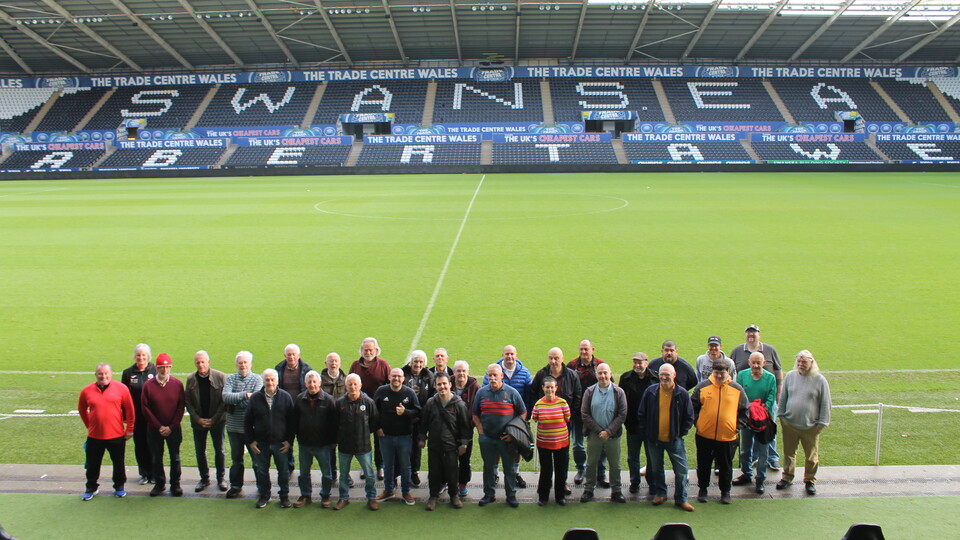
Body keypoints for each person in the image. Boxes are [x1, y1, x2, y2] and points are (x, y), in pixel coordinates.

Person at [638, 363, 696, 512]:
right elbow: (642, 413)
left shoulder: (682, 394)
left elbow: (689, 416)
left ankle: (681, 499)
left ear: (674, 375)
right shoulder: (650, 392)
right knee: (656, 469)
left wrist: (680, 433)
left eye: (667, 375)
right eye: (661, 375)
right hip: (654, 439)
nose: (664, 378)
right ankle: (661, 493)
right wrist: (648, 431)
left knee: (681, 471)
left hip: (674, 440)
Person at [691, 361, 748, 505]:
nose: (719, 376)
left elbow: (745, 410)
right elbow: (692, 407)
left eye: (722, 373)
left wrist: (736, 427)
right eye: (716, 373)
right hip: (704, 435)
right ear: (712, 371)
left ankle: (725, 492)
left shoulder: (737, 389)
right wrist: (698, 423)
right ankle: (703, 489)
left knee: (725, 466)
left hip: (727, 437)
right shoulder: (702, 387)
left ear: (728, 372)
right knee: (703, 464)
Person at [776, 350, 831, 496]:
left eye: (804, 362)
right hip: (790, 424)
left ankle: (810, 480)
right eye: (799, 362)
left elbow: (826, 403)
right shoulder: (790, 376)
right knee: (789, 454)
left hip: (811, 427)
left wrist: (821, 424)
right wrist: (781, 417)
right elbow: (783, 397)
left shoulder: (820, 380)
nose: (801, 364)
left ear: (811, 363)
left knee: (811, 456)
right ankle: (787, 477)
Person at [729, 324, 784, 470]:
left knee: (768, 430)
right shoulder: (737, 351)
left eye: (754, 332)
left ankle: (772, 458)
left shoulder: (770, 350)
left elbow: (778, 370)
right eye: (748, 332)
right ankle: (751, 459)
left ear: (760, 334)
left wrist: (778, 393)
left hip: (766, 403)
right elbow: (730, 371)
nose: (751, 335)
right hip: (747, 404)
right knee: (747, 431)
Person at [78, 363, 135, 500]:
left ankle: (119, 486)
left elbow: (130, 409)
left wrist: (130, 429)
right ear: (96, 375)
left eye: (106, 373)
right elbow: (82, 409)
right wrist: (90, 425)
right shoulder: (86, 391)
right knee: (92, 464)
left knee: (118, 463)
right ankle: (91, 487)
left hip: (116, 435)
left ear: (111, 374)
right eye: (100, 373)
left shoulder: (121, 388)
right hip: (95, 436)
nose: (103, 376)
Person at [474, 363, 526, 507]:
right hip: (487, 438)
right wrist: (480, 429)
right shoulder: (481, 393)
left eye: (495, 375)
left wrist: (513, 432)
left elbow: (523, 413)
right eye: (489, 375)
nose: (492, 378)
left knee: (509, 468)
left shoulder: (512, 392)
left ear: (501, 376)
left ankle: (511, 495)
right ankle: (489, 494)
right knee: (488, 467)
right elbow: (474, 413)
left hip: (506, 439)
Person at [419, 372, 471, 510]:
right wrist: (422, 438)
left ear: (450, 385)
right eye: (439, 384)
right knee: (434, 471)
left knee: (452, 471)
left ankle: (454, 496)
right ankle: (433, 496)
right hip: (434, 444)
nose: (442, 387)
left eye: (444, 384)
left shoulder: (459, 404)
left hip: (451, 445)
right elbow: (424, 423)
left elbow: (465, 426)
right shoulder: (431, 403)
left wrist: (463, 444)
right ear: (435, 386)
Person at [484, 344, 534, 488]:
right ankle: (495, 473)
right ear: (502, 355)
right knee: (497, 448)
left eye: (512, 354)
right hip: (497, 418)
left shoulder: (524, 373)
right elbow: (484, 392)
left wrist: (524, 419)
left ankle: (516, 473)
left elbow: (528, 396)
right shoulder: (493, 371)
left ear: (516, 356)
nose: (509, 357)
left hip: (518, 419)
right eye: (507, 354)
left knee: (517, 447)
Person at [245, 368, 295, 508]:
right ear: (263, 381)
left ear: (277, 381)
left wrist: (289, 441)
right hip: (262, 443)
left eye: (272, 380)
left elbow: (291, 422)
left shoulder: (285, 397)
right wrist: (251, 441)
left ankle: (284, 497)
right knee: (262, 471)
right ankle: (264, 496)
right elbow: (248, 421)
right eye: (267, 380)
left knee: (283, 471)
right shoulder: (255, 398)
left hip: (280, 443)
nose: (270, 382)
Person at [580, 363, 627, 503]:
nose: (603, 376)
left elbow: (622, 414)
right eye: (600, 373)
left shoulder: (619, 392)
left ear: (610, 374)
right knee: (591, 463)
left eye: (605, 373)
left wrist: (609, 431)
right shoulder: (589, 392)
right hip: (594, 435)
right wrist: (599, 431)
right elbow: (585, 413)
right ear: (596, 375)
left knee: (615, 464)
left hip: (612, 436)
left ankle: (616, 491)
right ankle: (589, 489)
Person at [373, 367, 421, 505]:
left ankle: (406, 491)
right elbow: (374, 412)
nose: (396, 379)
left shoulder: (409, 393)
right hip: (385, 436)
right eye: (394, 376)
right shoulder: (381, 391)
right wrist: (378, 428)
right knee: (388, 465)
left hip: (404, 436)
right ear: (389, 377)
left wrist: (405, 412)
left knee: (405, 466)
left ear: (403, 379)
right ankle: (388, 490)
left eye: (399, 376)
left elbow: (418, 412)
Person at [140, 353, 185, 497]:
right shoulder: (148, 386)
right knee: (156, 458)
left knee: (175, 457)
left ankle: (175, 484)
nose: (164, 370)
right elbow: (145, 408)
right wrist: (159, 426)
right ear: (156, 368)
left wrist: (171, 426)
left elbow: (180, 407)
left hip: (173, 429)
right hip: (155, 430)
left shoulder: (177, 384)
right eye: (161, 367)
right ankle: (159, 484)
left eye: (167, 367)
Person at [733, 351, 777, 494]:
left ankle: (760, 479)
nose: (756, 365)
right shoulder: (742, 375)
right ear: (749, 363)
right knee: (745, 449)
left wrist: (760, 411)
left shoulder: (770, 378)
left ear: (764, 363)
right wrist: (748, 412)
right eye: (753, 362)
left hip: (763, 421)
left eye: (759, 363)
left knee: (763, 451)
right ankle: (746, 474)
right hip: (747, 419)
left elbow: (771, 398)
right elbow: (739, 395)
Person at [292, 370, 337, 508]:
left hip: (323, 444)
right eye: (309, 382)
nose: (312, 385)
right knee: (303, 473)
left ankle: (325, 495)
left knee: (326, 473)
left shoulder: (329, 400)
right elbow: (294, 420)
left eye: (314, 382)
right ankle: (306, 495)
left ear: (320, 383)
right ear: (305, 384)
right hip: (305, 444)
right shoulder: (299, 399)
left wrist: (333, 441)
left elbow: (334, 423)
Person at [334, 373, 380, 511]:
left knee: (369, 474)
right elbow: (335, 423)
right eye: (350, 384)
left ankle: (371, 497)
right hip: (345, 446)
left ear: (360, 385)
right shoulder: (340, 403)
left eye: (355, 384)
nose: (353, 387)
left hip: (363, 446)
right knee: (343, 474)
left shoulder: (368, 402)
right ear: (346, 386)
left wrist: (364, 433)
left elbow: (374, 422)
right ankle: (343, 498)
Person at [184, 350, 227, 493]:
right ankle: (204, 478)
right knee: (200, 451)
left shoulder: (220, 377)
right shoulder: (191, 379)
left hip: (217, 422)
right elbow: (188, 402)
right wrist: (198, 419)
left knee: (219, 450)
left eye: (203, 362)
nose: (200, 365)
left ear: (208, 362)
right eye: (198, 362)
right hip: (199, 423)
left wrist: (214, 419)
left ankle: (221, 478)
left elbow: (224, 401)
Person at [222, 351, 263, 499]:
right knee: (236, 460)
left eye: (245, 362)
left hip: (252, 429)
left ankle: (262, 486)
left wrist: (236, 400)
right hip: (233, 427)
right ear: (236, 364)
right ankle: (235, 486)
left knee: (257, 460)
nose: (243, 365)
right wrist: (245, 395)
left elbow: (256, 401)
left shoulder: (257, 379)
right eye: (240, 363)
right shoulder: (230, 379)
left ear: (250, 364)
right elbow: (226, 397)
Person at [566, 339, 606, 486]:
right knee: (578, 444)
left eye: (586, 349)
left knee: (599, 443)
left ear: (592, 350)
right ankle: (581, 470)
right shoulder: (572, 366)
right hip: (577, 413)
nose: (583, 352)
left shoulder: (600, 365)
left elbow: (609, 386)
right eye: (581, 349)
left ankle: (601, 472)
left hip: (597, 413)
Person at [350, 337, 390, 479]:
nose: (368, 353)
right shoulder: (355, 365)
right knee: (363, 440)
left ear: (376, 350)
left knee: (380, 439)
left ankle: (380, 466)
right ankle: (365, 467)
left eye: (371, 350)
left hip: (379, 409)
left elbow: (390, 385)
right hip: (361, 409)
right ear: (361, 351)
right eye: (365, 350)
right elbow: (350, 384)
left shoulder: (383, 365)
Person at [619, 352, 657, 494]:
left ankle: (652, 482)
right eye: (635, 362)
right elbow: (621, 400)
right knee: (632, 457)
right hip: (633, 425)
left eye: (640, 362)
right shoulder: (626, 378)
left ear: (646, 363)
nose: (637, 365)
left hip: (650, 426)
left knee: (651, 456)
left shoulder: (656, 378)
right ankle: (634, 482)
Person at [531, 376, 571, 505]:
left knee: (560, 470)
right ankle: (543, 497)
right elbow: (535, 418)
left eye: (552, 387)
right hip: (544, 444)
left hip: (561, 443)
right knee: (546, 470)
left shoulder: (562, 403)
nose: (549, 390)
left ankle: (560, 497)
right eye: (547, 387)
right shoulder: (538, 404)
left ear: (556, 388)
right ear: (543, 388)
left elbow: (567, 418)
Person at [121, 343, 157, 485]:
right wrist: (125, 417)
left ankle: (154, 473)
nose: (141, 358)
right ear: (134, 356)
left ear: (148, 356)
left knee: (153, 444)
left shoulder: (155, 370)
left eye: (143, 355)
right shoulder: (128, 373)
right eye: (138, 355)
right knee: (140, 445)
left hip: (152, 417)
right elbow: (123, 396)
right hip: (136, 417)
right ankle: (144, 473)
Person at [276, 344, 313, 472]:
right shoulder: (279, 369)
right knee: (286, 440)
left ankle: (305, 469)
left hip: (301, 410)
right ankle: (289, 467)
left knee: (304, 439)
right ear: (284, 356)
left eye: (293, 354)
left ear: (299, 356)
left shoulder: (307, 369)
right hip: (285, 410)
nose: (291, 357)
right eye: (289, 354)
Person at [402, 349, 435, 487]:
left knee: (417, 447)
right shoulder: (403, 373)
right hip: (404, 418)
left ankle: (414, 472)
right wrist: (408, 414)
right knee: (403, 446)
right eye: (416, 361)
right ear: (411, 362)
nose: (418, 364)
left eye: (421, 362)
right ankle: (402, 472)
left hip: (421, 419)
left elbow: (431, 398)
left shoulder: (429, 376)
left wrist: (419, 415)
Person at [452, 360, 480, 496]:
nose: (461, 373)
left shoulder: (475, 388)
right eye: (458, 371)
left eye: (463, 371)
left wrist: (472, 424)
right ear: (453, 372)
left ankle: (462, 483)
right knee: (447, 458)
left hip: (466, 430)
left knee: (464, 459)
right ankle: (444, 482)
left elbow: (479, 408)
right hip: (448, 430)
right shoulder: (447, 384)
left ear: (468, 372)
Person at [321, 352, 348, 485]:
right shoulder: (320, 380)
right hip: (327, 422)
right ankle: (332, 474)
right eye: (331, 361)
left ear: (340, 363)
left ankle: (345, 475)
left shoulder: (346, 380)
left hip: (342, 422)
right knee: (330, 451)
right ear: (326, 363)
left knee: (344, 451)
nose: (333, 363)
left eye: (336, 361)